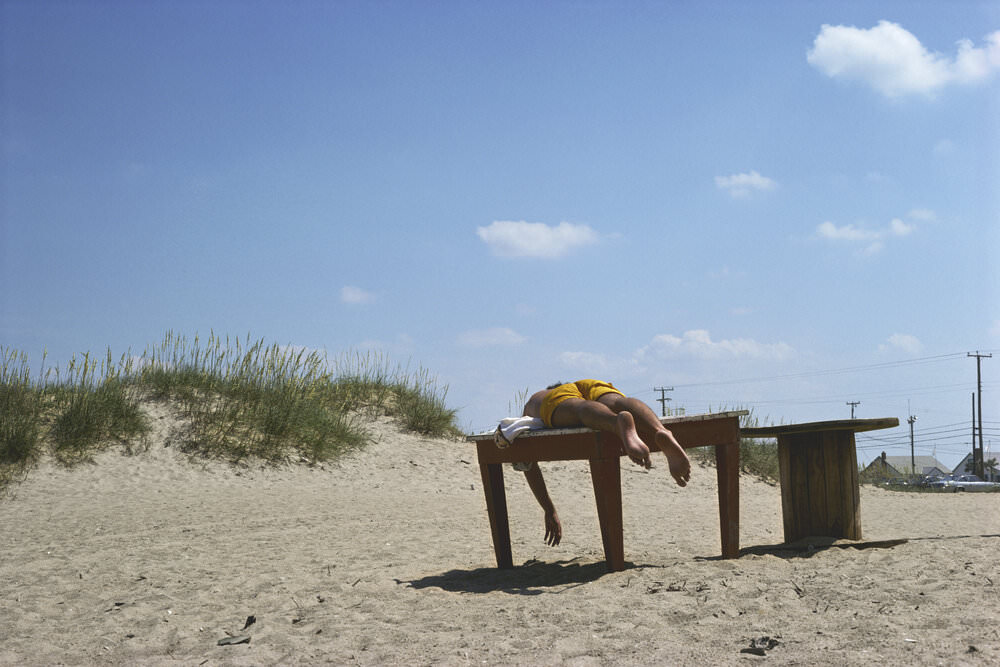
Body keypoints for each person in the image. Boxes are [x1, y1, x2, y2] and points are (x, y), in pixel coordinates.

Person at [518, 379, 692, 547]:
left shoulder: (539, 397)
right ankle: (661, 430)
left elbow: (527, 461)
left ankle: (616, 423)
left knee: (579, 409)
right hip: (592, 383)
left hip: (557, 402)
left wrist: (549, 509)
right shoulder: (577, 386)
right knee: (619, 402)